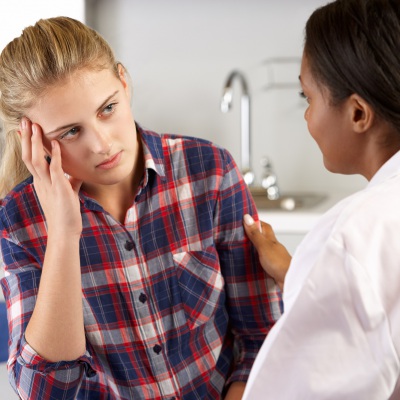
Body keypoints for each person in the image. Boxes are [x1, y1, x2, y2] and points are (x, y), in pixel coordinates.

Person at [0, 17, 282, 400]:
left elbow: (261, 334)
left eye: (107, 109)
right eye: (70, 131)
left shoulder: (210, 172)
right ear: (31, 139)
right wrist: (63, 235)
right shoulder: (17, 223)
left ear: (124, 82)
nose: (102, 143)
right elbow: (47, 390)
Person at [241, 0, 400, 399]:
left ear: (358, 114)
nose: (307, 116)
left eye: (306, 97)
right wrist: (300, 276)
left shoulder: (355, 233)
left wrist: (322, 267)